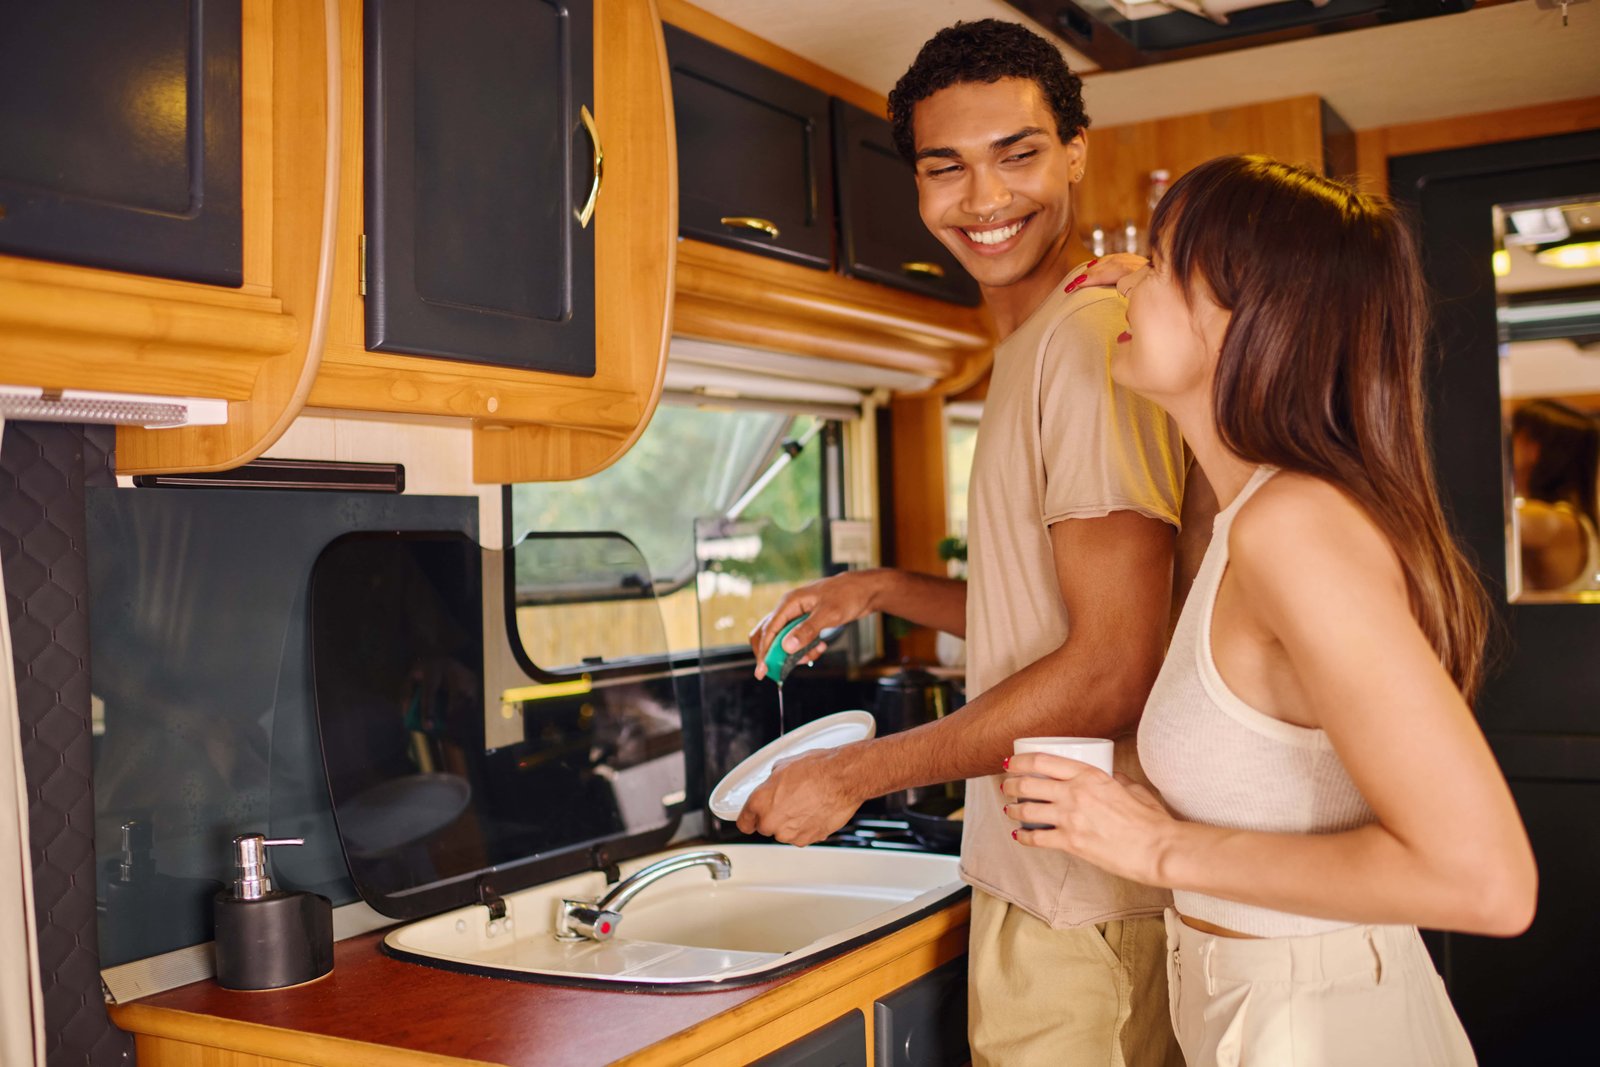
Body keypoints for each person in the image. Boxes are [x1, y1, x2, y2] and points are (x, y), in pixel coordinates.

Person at [1002, 155, 1538, 1066]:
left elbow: (1486, 881)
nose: (1128, 278)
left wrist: (1161, 846)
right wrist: (1136, 810)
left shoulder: (1293, 526)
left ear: (1249, 318)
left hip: (1321, 1027)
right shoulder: (1242, 518)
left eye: (1161, 261)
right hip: (1256, 1006)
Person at [741, 19, 1194, 1067]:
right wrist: (885, 587)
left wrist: (854, 772)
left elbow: (1113, 665)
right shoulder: (1033, 345)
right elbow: (1057, 606)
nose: (984, 199)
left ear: (1076, 153)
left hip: (1082, 898)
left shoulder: (1086, 344)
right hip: (1053, 881)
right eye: (946, 167)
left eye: (1018, 155)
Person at [1510, 398, 1600, 593]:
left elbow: (1490, 520)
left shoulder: (1552, 520)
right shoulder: (1573, 520)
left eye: (1513, 437)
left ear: (1532, 448)